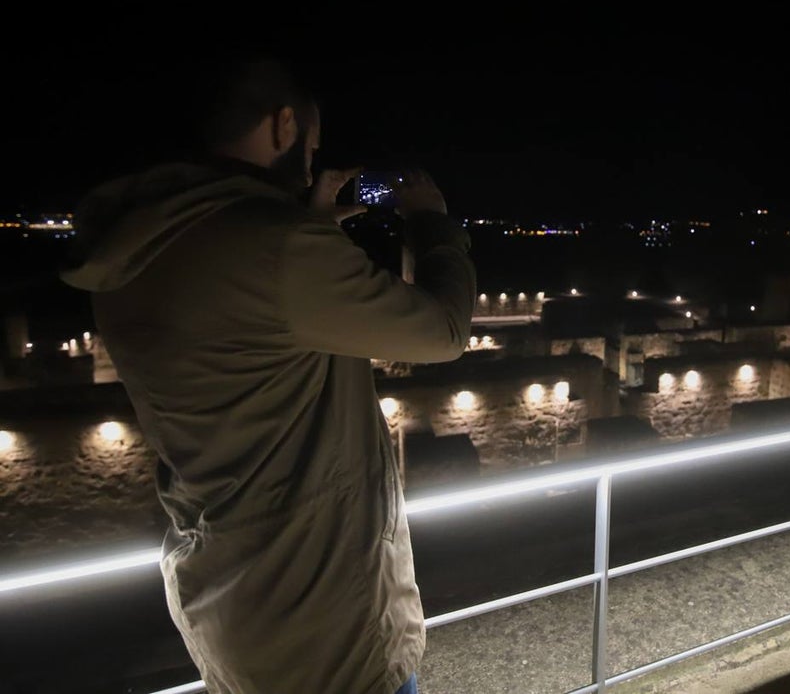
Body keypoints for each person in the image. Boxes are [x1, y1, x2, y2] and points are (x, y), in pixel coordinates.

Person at [59, 55, 477, 694]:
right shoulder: (277, 250)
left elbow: (244, 339)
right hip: (328, 629)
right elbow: (443, 331)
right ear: (282, 125)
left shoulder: (132, 249)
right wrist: (431, 221)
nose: (312, 159)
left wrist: (303, 230)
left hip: (229, 610)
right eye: (311, 145)